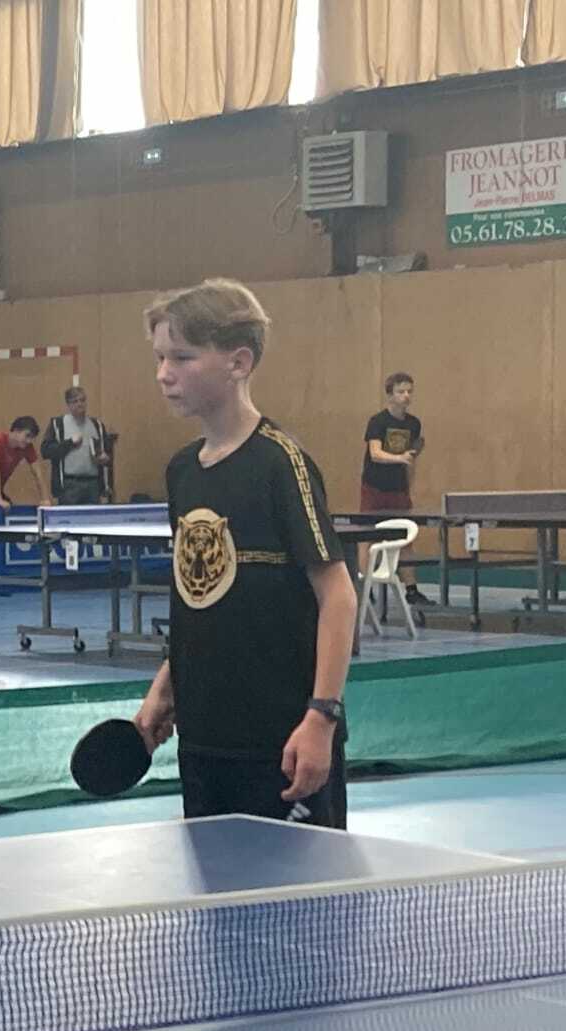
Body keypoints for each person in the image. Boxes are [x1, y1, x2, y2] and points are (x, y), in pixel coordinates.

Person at [133, 278, 356, 828]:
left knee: (299, 886)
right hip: (204, 742)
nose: (164, 373)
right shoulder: (182, 471)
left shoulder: (281, 464)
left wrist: (321, 718)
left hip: (282, 744)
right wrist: (167, 684)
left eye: (182, 357)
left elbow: (338, 596)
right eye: (160, 358)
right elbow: (205, 597)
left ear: (238, 362)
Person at [360, 371, 428, 606]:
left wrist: (409, 486)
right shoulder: (377, 422)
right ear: (390, 395)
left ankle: (411, 589)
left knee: (405, 538)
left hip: (398, 489)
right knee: (367, 536)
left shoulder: (413, 424)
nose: (406, 396)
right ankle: (363, 585)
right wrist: (400, 458)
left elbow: (412, 458)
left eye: (409, 391)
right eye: (401, 391)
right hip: (374, 487)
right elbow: (375, 453)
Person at [41, 386, 114, 505]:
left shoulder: (97, 425)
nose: (80, 404)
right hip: (69, 484)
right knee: (69, 516)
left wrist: (105, 458)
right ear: (68, 404)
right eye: (75, 401)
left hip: (93, 484)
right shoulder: (58, 425)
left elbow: (107, 453)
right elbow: (45, 451)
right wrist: (69, 443)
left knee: (92, 517)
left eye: (82, 400)